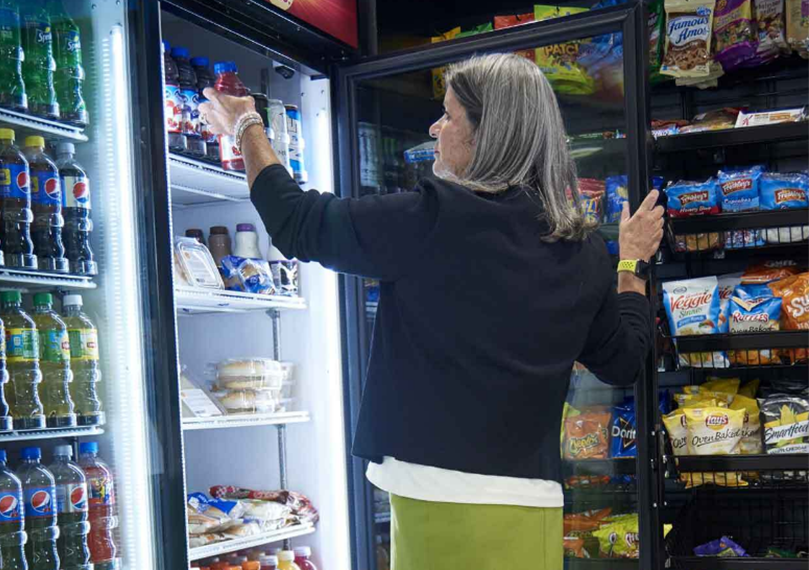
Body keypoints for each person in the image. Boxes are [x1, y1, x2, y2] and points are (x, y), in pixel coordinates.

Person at [199, 53, 663, 570]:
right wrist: (631, 262)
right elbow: (623, 360)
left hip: (435, 492)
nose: (435, 127)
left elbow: (297, 221)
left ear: (487, 135)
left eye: (449, 115)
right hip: (534, 500)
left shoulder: (432, 217)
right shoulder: (580, 250)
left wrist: (245, 125)